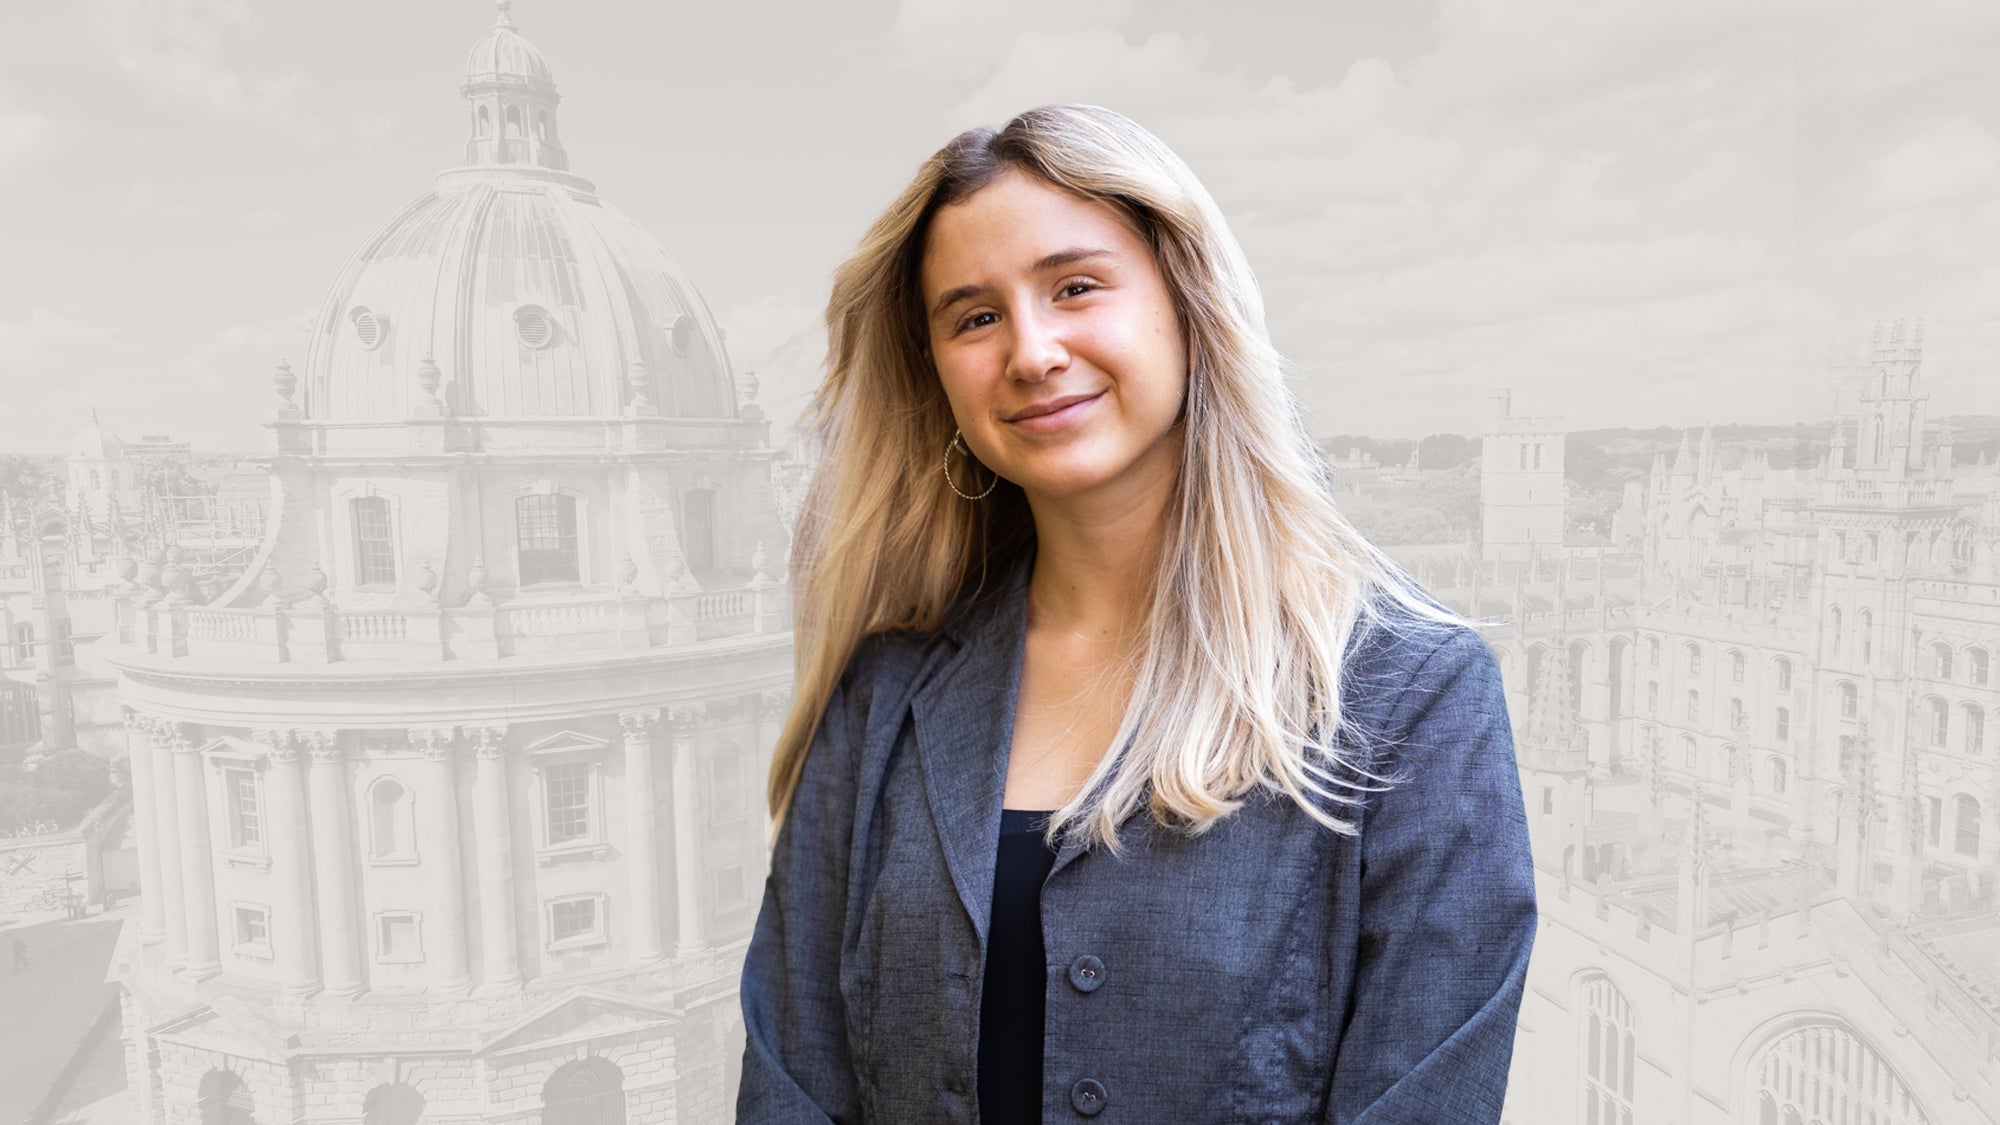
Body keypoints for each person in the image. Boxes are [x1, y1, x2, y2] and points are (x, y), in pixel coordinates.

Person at [737, 103, 1536, 1124]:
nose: (1031, 352)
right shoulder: (880, 696)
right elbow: (791, 1083)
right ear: (935, 373)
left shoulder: (1412, 698)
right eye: (973, 316)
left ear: (1185, 304)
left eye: (1075, 286)